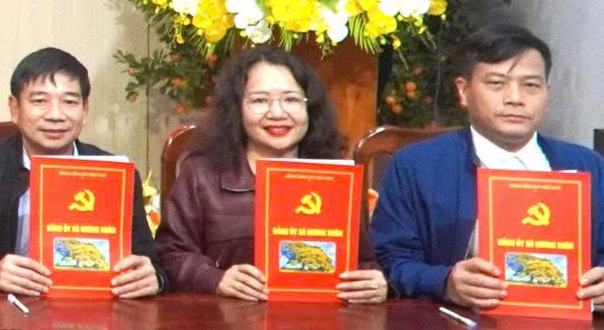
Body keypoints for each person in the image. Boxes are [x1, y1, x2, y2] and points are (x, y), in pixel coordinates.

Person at [372, 23, 604, 308]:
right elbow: (392, 262)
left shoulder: (588, 166)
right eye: (497, 83)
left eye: (531, 86)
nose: (515, 99)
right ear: (464, 91)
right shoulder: (415, 166)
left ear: (547, 93)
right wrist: (445, 282)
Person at [0, 47, 164, 299]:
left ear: (85, 111)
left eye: (70, 102)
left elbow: (154, 267)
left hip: (95, 310)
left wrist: (153, 278)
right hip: (3, 310)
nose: (55, 115)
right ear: (15, 108)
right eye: (40, 101)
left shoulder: (115, 175)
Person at [158, 47, 388, 302]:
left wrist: (374, 282)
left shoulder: (336, 176)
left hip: (318, 316)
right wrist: (216, 279)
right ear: (237, 109)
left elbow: (363, 261)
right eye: (260, 101)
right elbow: (171, 254)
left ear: (310, 107)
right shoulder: (201, 173)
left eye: (291, 100)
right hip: (227, 315)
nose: (277, 113)